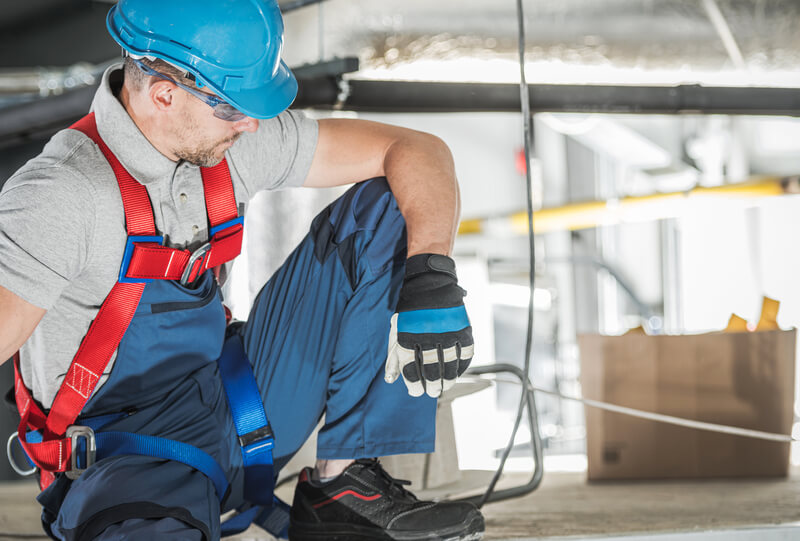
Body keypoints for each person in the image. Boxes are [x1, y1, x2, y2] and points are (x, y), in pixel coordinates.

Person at [0, 0, 484, 540]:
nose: (253, 124)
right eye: (234, 108)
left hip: (236, 400)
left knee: (395, 203)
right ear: (164, 94)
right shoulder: (60, 195)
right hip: (123, 456)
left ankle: (342, 486)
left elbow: (416, 150)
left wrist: (432, 275)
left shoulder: (224, 141)